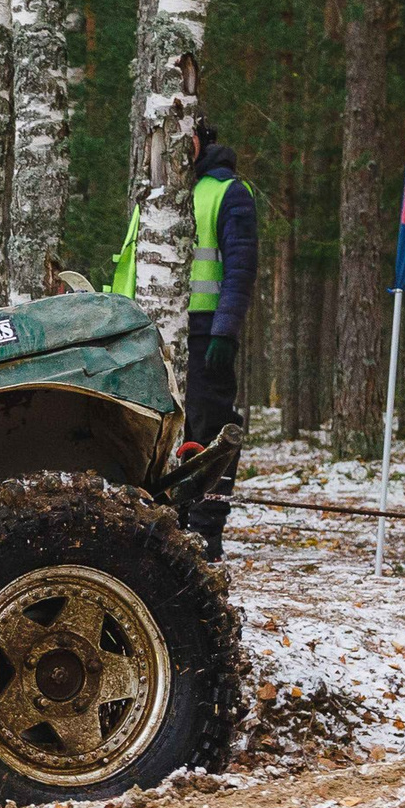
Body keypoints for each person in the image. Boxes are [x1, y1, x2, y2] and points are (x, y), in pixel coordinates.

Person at [108, 120, 256, 557]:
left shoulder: (228, 192)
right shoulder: (154, 198)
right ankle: (160, 524)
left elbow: (241, 268)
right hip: (147, 336)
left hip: (206, 335)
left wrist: (225, 331)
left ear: (199, 140)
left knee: (209, 430)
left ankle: (206, 532)